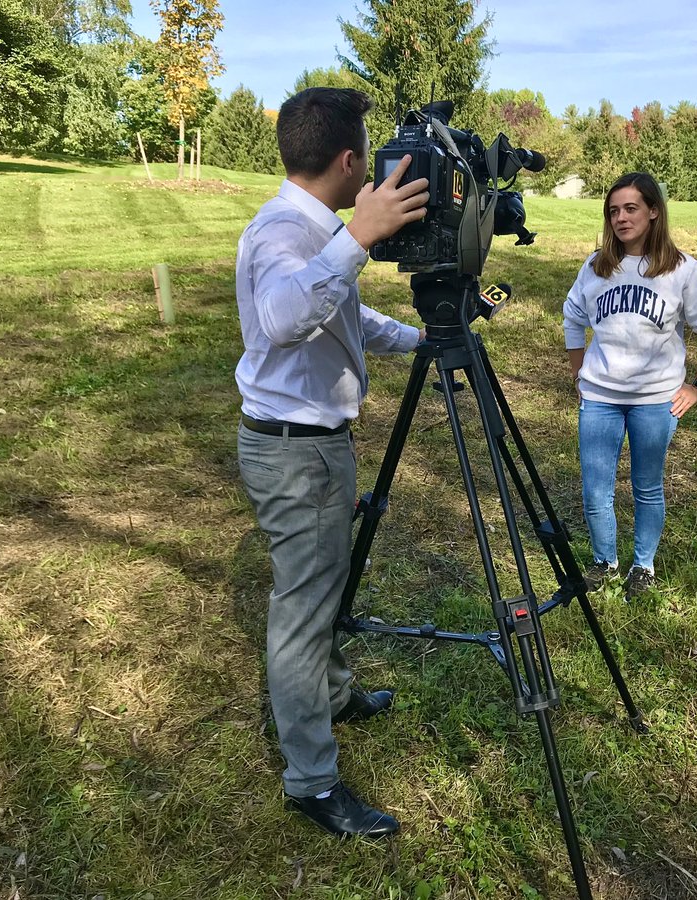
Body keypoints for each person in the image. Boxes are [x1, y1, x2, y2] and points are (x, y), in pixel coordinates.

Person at [234, 87, 430, 838]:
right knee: (302, 609)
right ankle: (312, 782)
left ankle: (336, 690)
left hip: (309, 448)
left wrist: (419, 340)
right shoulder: (287, 230)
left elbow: (340, 315)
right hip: (296, 455)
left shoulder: (309, 225)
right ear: (349, 161)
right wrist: (361, 238)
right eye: (370, 159)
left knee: (324, 583)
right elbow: (287, 317)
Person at [562, 171, 697, 602]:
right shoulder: (596, 265)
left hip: (655, 402)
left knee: (646, 486)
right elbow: (572, 318)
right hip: (600, 398)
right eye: (614, 210)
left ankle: (643, 565)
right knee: (595, 487)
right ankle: (605, 561)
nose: (621, 218)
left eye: (631, 208)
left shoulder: (680, 270)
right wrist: (579, 372)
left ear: (654, 212)